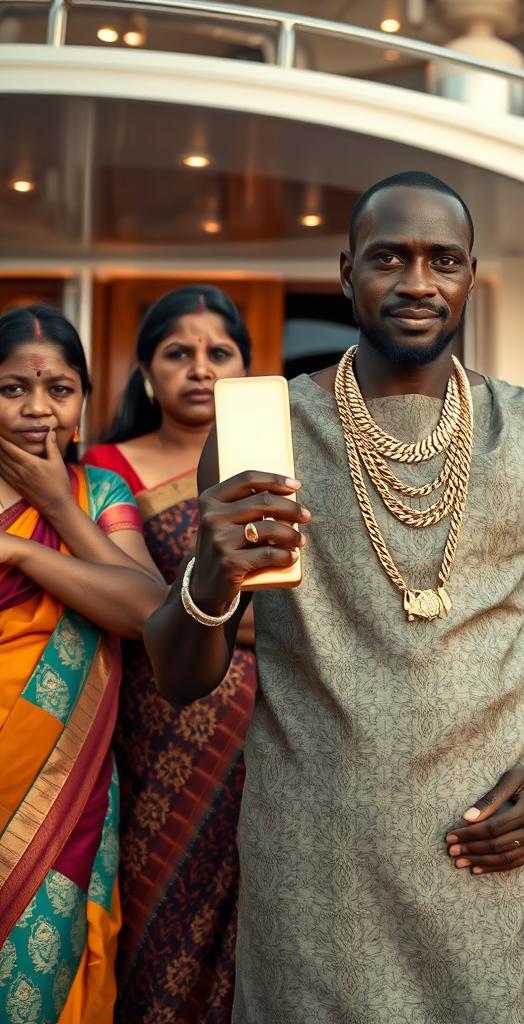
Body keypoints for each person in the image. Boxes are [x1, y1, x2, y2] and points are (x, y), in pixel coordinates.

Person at [143, 171, 524, 1023]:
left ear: (471, 276)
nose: (417, 283)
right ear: (345, 273)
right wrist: (211, 575)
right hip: (315, 873)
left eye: (443, 260)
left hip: (490, 850)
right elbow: (185, 676)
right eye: (388, 259)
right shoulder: (270, 428)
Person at [83, 285, 256, 1023]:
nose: (200, 368)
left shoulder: (270, 468)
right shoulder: (103, 467)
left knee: (256, 932)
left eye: (220, 353)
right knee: (156, 923)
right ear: (146, 373)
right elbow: (133, 600)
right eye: (177, 353)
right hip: (153, 731)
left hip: (266, 735)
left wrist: (206, 616)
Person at [0, 304, 165, 1022]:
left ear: (83, 400)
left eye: (59, 389)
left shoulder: (101, 495)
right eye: (12, 389)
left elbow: (147, 611)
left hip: (61, 791)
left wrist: (35, 537)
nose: (38, 408)